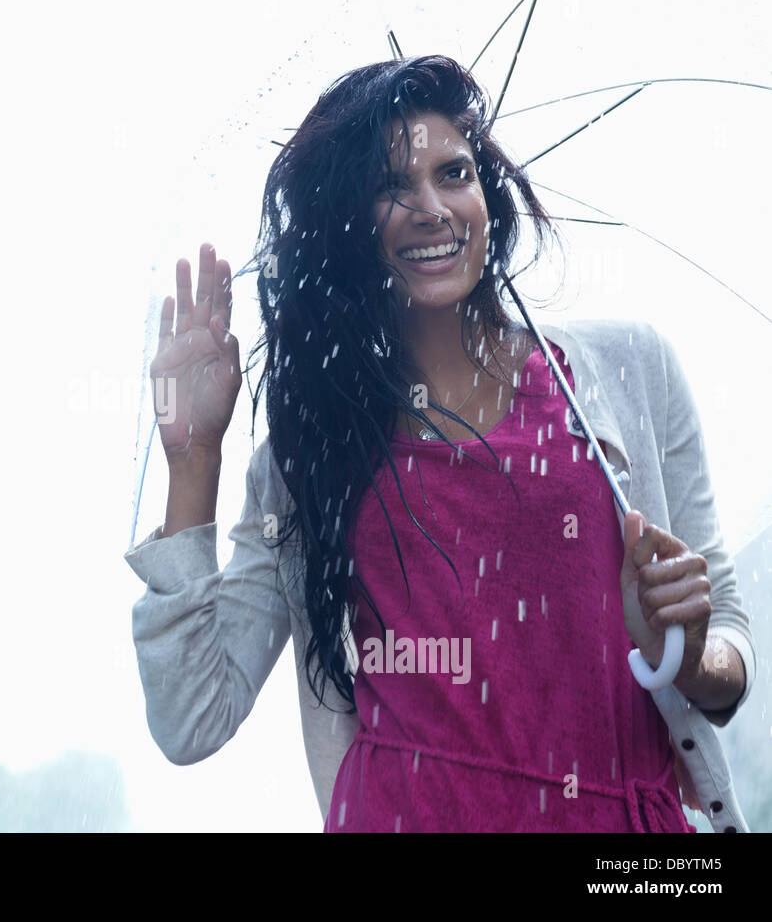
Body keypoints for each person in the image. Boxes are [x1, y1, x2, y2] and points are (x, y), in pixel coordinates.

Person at [124, 55, 756, 832]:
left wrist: (688, 652)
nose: (432, 207)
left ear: (487, 193)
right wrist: (195, 462)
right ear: (345, 226)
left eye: (454, 173)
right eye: (393, 186)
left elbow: (722, 660)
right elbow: (193, 717)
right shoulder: (310, 459)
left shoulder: (629, 371)